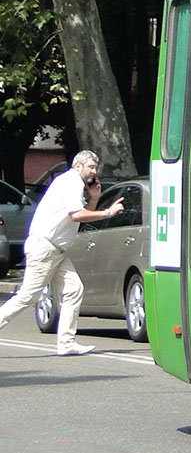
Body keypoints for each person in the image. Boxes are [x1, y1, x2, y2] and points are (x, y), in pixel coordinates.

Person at [0, 150, 125, 355]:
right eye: (91, 167)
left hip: (56, 251)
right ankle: (66, 342)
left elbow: (80, 214)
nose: (94, 171)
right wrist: (107, 212)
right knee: (27, 297)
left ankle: (66, 343)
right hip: (45, 248)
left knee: (74, 289)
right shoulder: (71, 182)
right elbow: (76, 215)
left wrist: (94, 198)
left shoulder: (70, 183)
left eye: (95, 167)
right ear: (78, 166)